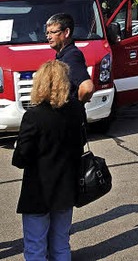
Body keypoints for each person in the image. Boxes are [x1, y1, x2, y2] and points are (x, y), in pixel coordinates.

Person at [12, 59, 85, 261]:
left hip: (39, 189)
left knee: (35, 246)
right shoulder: (76, 111)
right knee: (61, 244)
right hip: (65, 187)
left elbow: (21, 158)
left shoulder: (33, 116)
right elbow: (79, 145)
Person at [46, 13, 94, 104]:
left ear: (66, 32)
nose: (49, 37)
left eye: (53, 32)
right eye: (47, 33)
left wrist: (76, 107)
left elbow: (87, 88)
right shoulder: (62, 55)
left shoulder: (72, 56)